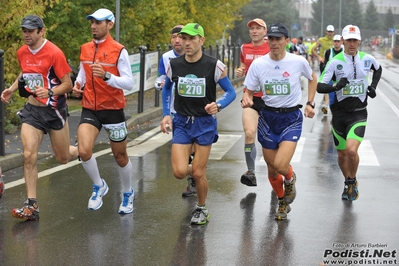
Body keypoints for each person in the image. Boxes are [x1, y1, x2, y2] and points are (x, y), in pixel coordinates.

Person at [1, 15, 78, 220]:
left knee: (62, 158)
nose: (26, 34)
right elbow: (25, 73)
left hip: (54, 110)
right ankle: (32, 205)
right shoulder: (21, 52)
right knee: (29, 155)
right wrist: (10, 89)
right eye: (24, 30)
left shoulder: (54, 53)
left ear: (41, 31)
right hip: (33, 111)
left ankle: (80, 150)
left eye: (30, 31)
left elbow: (68, 85)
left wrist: (50, 92)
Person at [160, 23, 236, 225]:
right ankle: (196, 168)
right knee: (178, 172)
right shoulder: (174, 65)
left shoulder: (214, 66)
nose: (186, 43)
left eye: (191, 39)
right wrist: (166, 114)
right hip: (182, 122)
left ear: (201, 41)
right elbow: (167, 89)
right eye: (183, 38)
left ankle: (202, 209)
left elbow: (231, 92)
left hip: (204, 123)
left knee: (198, 172)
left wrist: (218, 105)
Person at [241, 23, 317, 220]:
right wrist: (248, 97)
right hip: (268, 117)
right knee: (272, 168)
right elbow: (249, 89)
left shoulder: (298, 61)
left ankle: (291, 178)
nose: (273, 43)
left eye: (278, 39)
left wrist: (310, 103)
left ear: (285, 40)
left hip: (291, 118)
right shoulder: (259, 64)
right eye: (271, 39)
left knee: (281, 165)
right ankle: (283, 201)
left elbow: (312, 78)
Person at [72, 8, 135, 214]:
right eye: (91, 22)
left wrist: (108, 76)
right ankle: (99, 185)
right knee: (83, 150)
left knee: (120, 157)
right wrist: (78, 83)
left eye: (98, 22)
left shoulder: (119, 50)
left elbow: (129, 83)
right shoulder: (85, 48)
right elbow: (83, 69)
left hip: (113, 110)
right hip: (90, 108)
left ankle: (127, 192)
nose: (93, 26)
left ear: (110, 24)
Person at [317, 25, 382, 201]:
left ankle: (351, 180)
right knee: (341, 154)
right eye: (349, 40)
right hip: (339, 114)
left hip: (359, 112)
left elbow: (378, 69)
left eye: (355, 40)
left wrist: (373, 87)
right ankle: (348, 182)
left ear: (359, 41)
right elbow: (320, 86)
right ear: (343, 41)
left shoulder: (367, 59)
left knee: (351, 151)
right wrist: (335, 86)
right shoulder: (335, 62)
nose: (352, 44)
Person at [154, 25, 197, 198]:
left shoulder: (197, 55)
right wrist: (159, 84)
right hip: (175, 110)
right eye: (174, 37)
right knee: (183, 148)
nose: (177, 40)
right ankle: (192, 179)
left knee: (195, 148)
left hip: (197, 111)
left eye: (180, 37)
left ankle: (197, 171)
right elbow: (160, 77)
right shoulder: (166, 58)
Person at [236, 18, 270, 187]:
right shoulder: (244, 48)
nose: (254, 31)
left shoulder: (271, 46)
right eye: (252, 29)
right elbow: (243, 64)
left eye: (258, 28)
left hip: (269, 99)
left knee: (270, 139)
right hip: (249, 96)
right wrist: (240, 70)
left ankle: (276, 171)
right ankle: (251, 172)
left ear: (265, 31)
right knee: (249, 133)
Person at [312, 25, 335, 114]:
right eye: (328, 31)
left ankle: (329, 100)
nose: (330, 33)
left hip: (334, 65)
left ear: (333, 32)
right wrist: (319, 57)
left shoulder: (335, 41)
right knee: (325, 82)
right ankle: (326, 105)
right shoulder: (321, 40)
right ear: (326, 32)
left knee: (333, 82)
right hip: (324, 64)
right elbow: (313, 50)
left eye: (331, 32)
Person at [323, 34, 344, 107]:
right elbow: (325, 64)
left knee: (342, 98)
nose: (336, 43)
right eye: (335, 41)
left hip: (342, 78)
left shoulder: (345, 52)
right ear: (333, 42)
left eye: (338, 41)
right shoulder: (328, 52)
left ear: (341, 42)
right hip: (331, 78)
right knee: (331, 99)